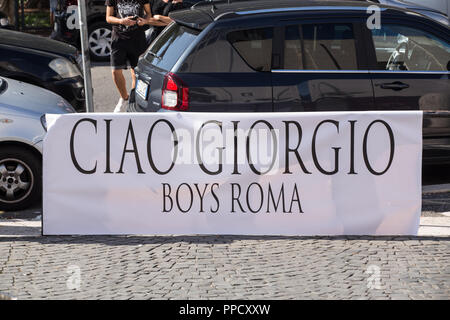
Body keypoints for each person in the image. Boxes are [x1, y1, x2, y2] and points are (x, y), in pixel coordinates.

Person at [105, 0, 168, 112]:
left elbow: (148, 14)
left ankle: (133, 99)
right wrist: (121, 21)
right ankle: (124, 98)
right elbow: (108, 17)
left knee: (136, 72)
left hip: (137, 38)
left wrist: (144, 20)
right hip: (119, 38)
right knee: (115, 71)